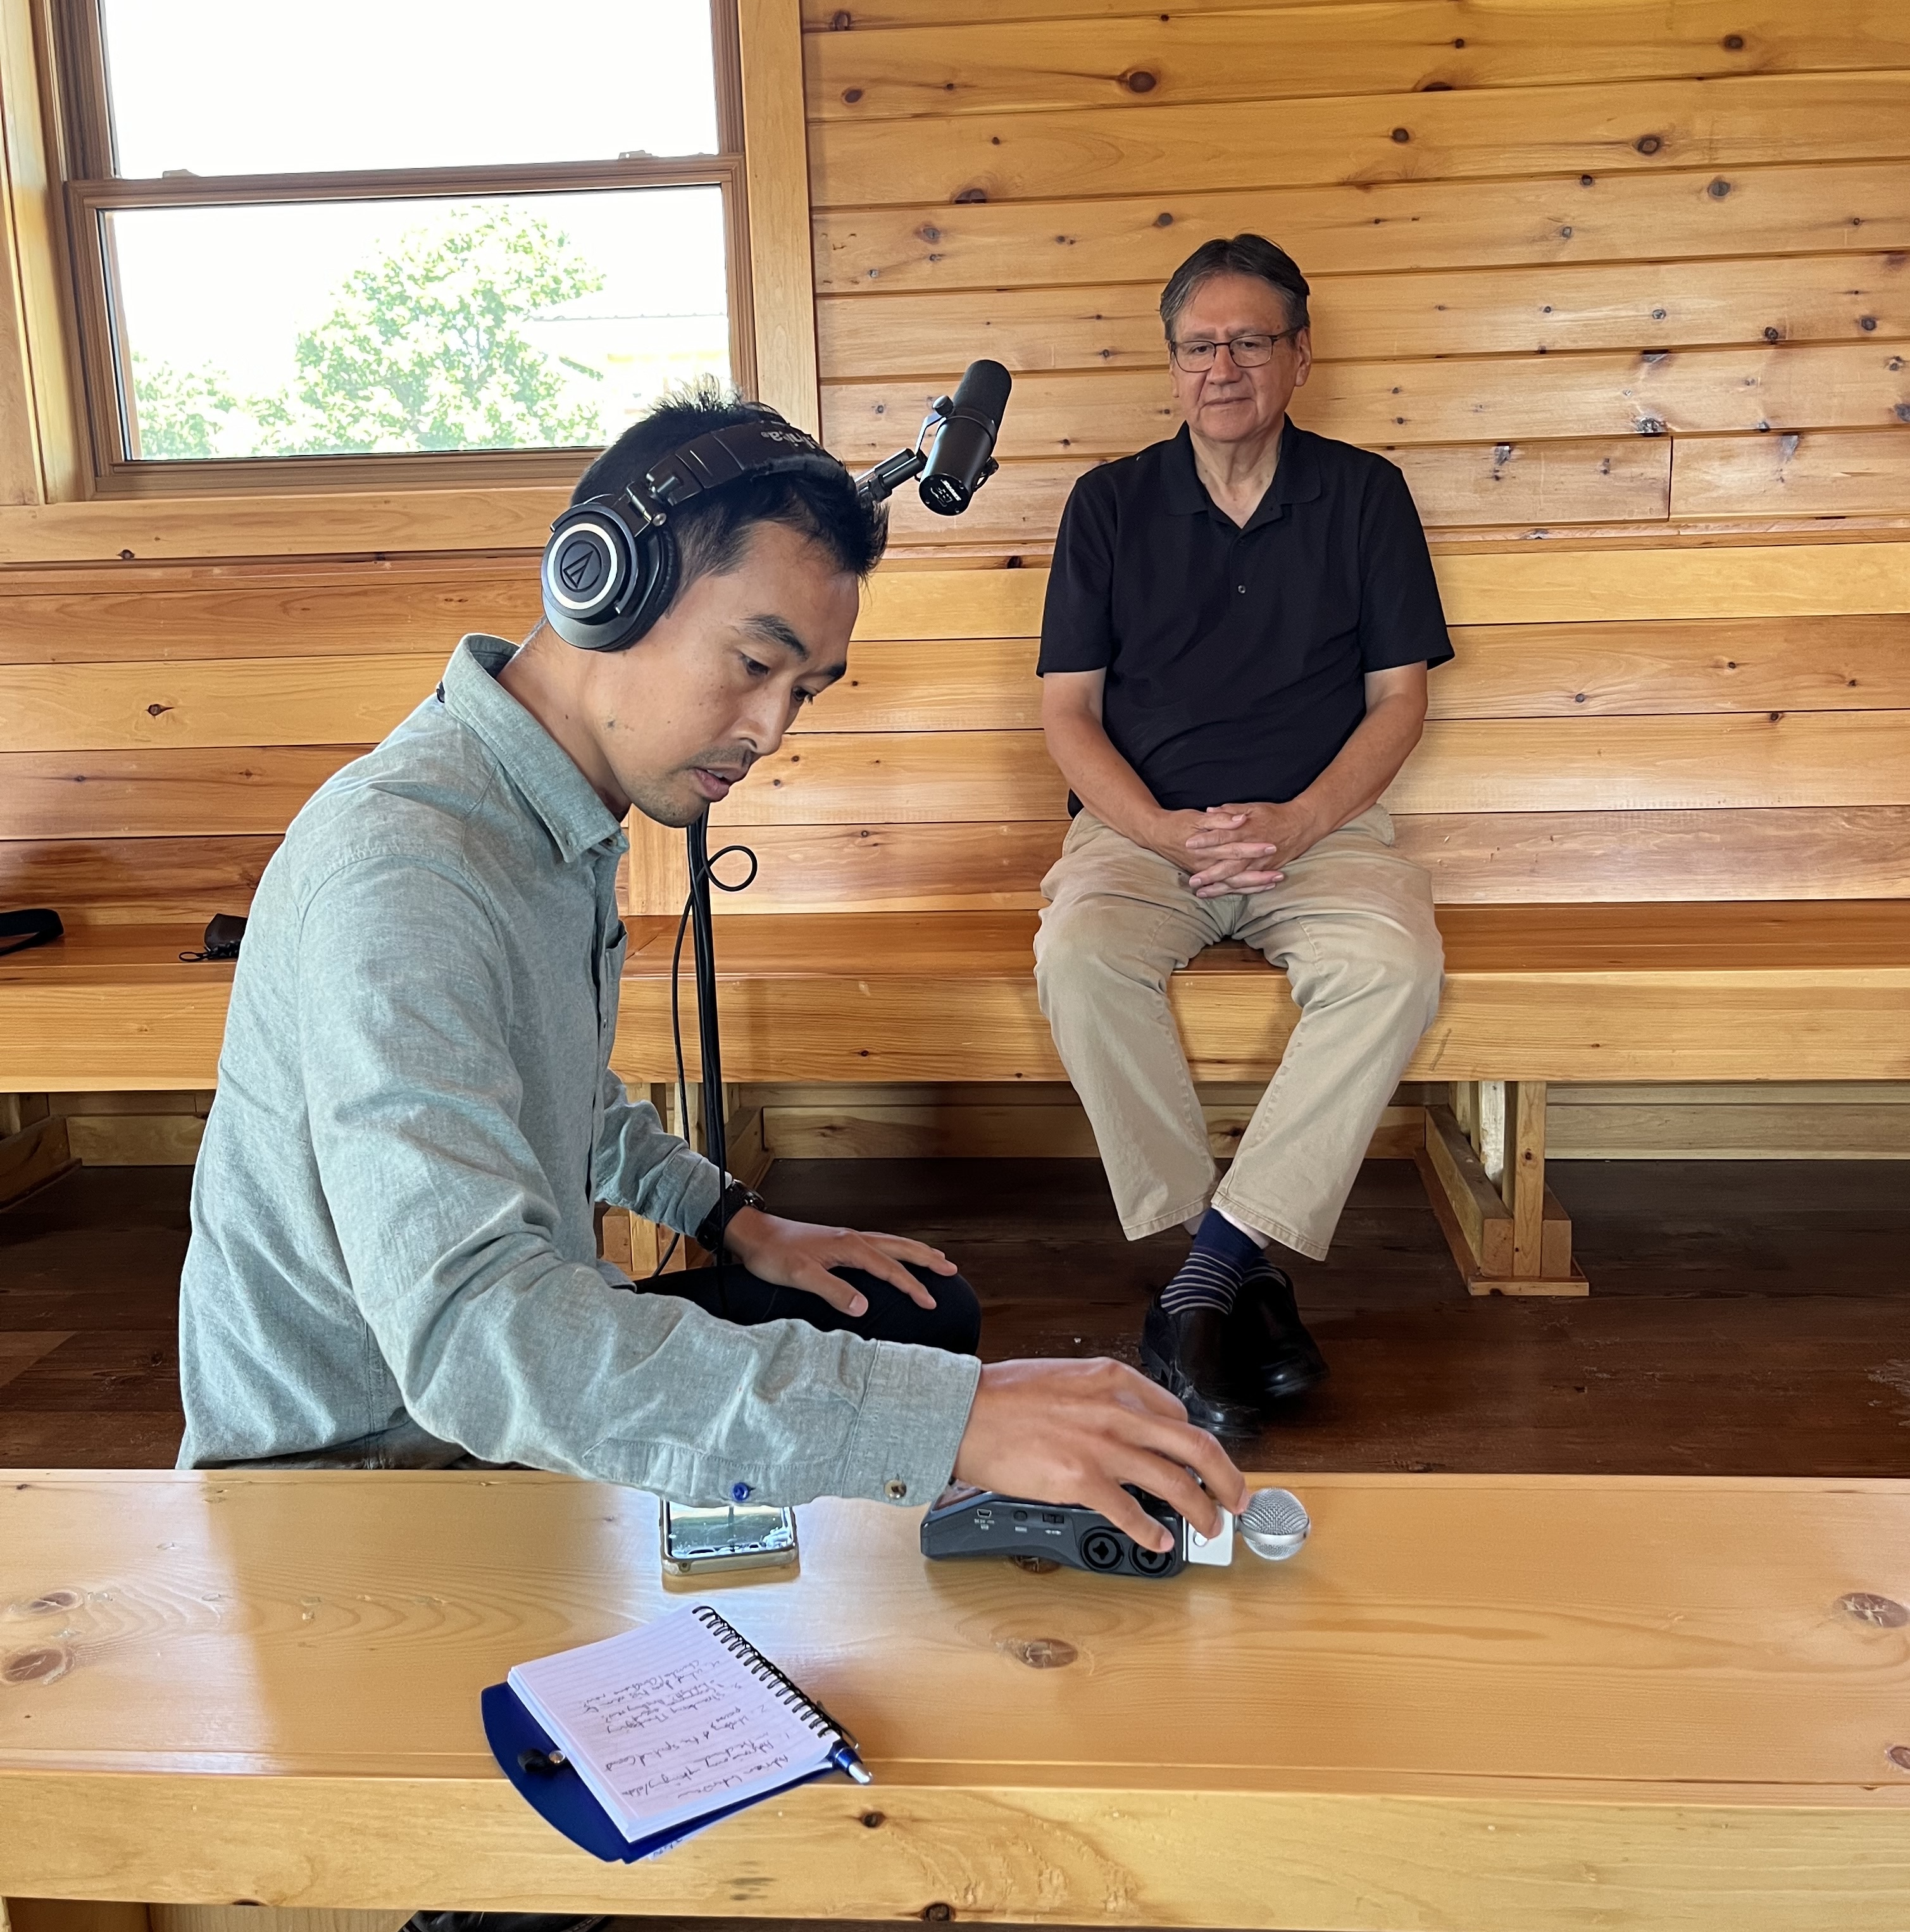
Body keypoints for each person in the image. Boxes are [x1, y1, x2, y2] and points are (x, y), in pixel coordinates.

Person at [176, 382, 1245, 1563]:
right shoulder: (404, 872)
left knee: (912, 1312)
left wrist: (735, 1219)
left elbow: (563, 1095)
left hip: (472, 1395)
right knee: (941, 1397)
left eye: (800, 692)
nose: (770, 728)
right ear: (599, 584)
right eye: (752, 662)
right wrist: (947, 1421)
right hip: (369, 1475)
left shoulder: (546, 814)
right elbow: (473, 1340)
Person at [1035, 235, 1452, 1435]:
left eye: (1249, 340)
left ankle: (1205, 1271)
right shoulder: (1108, 503)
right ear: (1172, 367)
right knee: (1076, 954)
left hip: (1321, 828)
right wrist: (1163, 830)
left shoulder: (1363, 493)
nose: (1223, 366)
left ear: (1297, 356)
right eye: (1198, 345)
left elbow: (1398, 699)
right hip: (1137, 833)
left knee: (1391, 964)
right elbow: (1067, 712)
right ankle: (1233, 1270)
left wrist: (1305, 818)